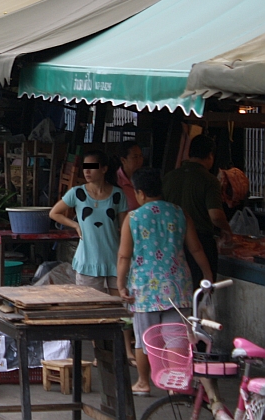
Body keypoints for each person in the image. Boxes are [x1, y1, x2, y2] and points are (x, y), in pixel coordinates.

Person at [117, 168, 213, 396]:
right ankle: (175, 384)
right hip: (178, 286)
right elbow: (196, 248)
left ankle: (143, 382)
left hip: (144, 289)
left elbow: (124, 256)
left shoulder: (133, 218)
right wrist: (208, 274)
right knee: (176, 337)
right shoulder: (180, 213)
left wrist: (121, 286)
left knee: (144, 338)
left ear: (139, 193)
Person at [50, 150, 129, 293]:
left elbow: (125, 229)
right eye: (85, 167)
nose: (87, 171)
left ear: (104, 169)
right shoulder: (76, 193)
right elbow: (54, 213)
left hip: (114, 258)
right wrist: (75, 225)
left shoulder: (118, 194)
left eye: (92, 167)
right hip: (87, 260)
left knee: (119, 307)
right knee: (90, 305)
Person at [163, 134, 231, 286]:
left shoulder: (170, 177)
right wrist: (227, 230)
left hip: (172, 240)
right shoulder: (209, 180)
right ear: (210, 155)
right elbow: (216, 216)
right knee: (201, 287)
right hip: (201, 240)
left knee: (178, 285)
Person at [116, 142, 144, 211]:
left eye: (140, 156)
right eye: (135, 157)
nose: (139, 160)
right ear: (123, 160)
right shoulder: (115, 180)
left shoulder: (144, 178)